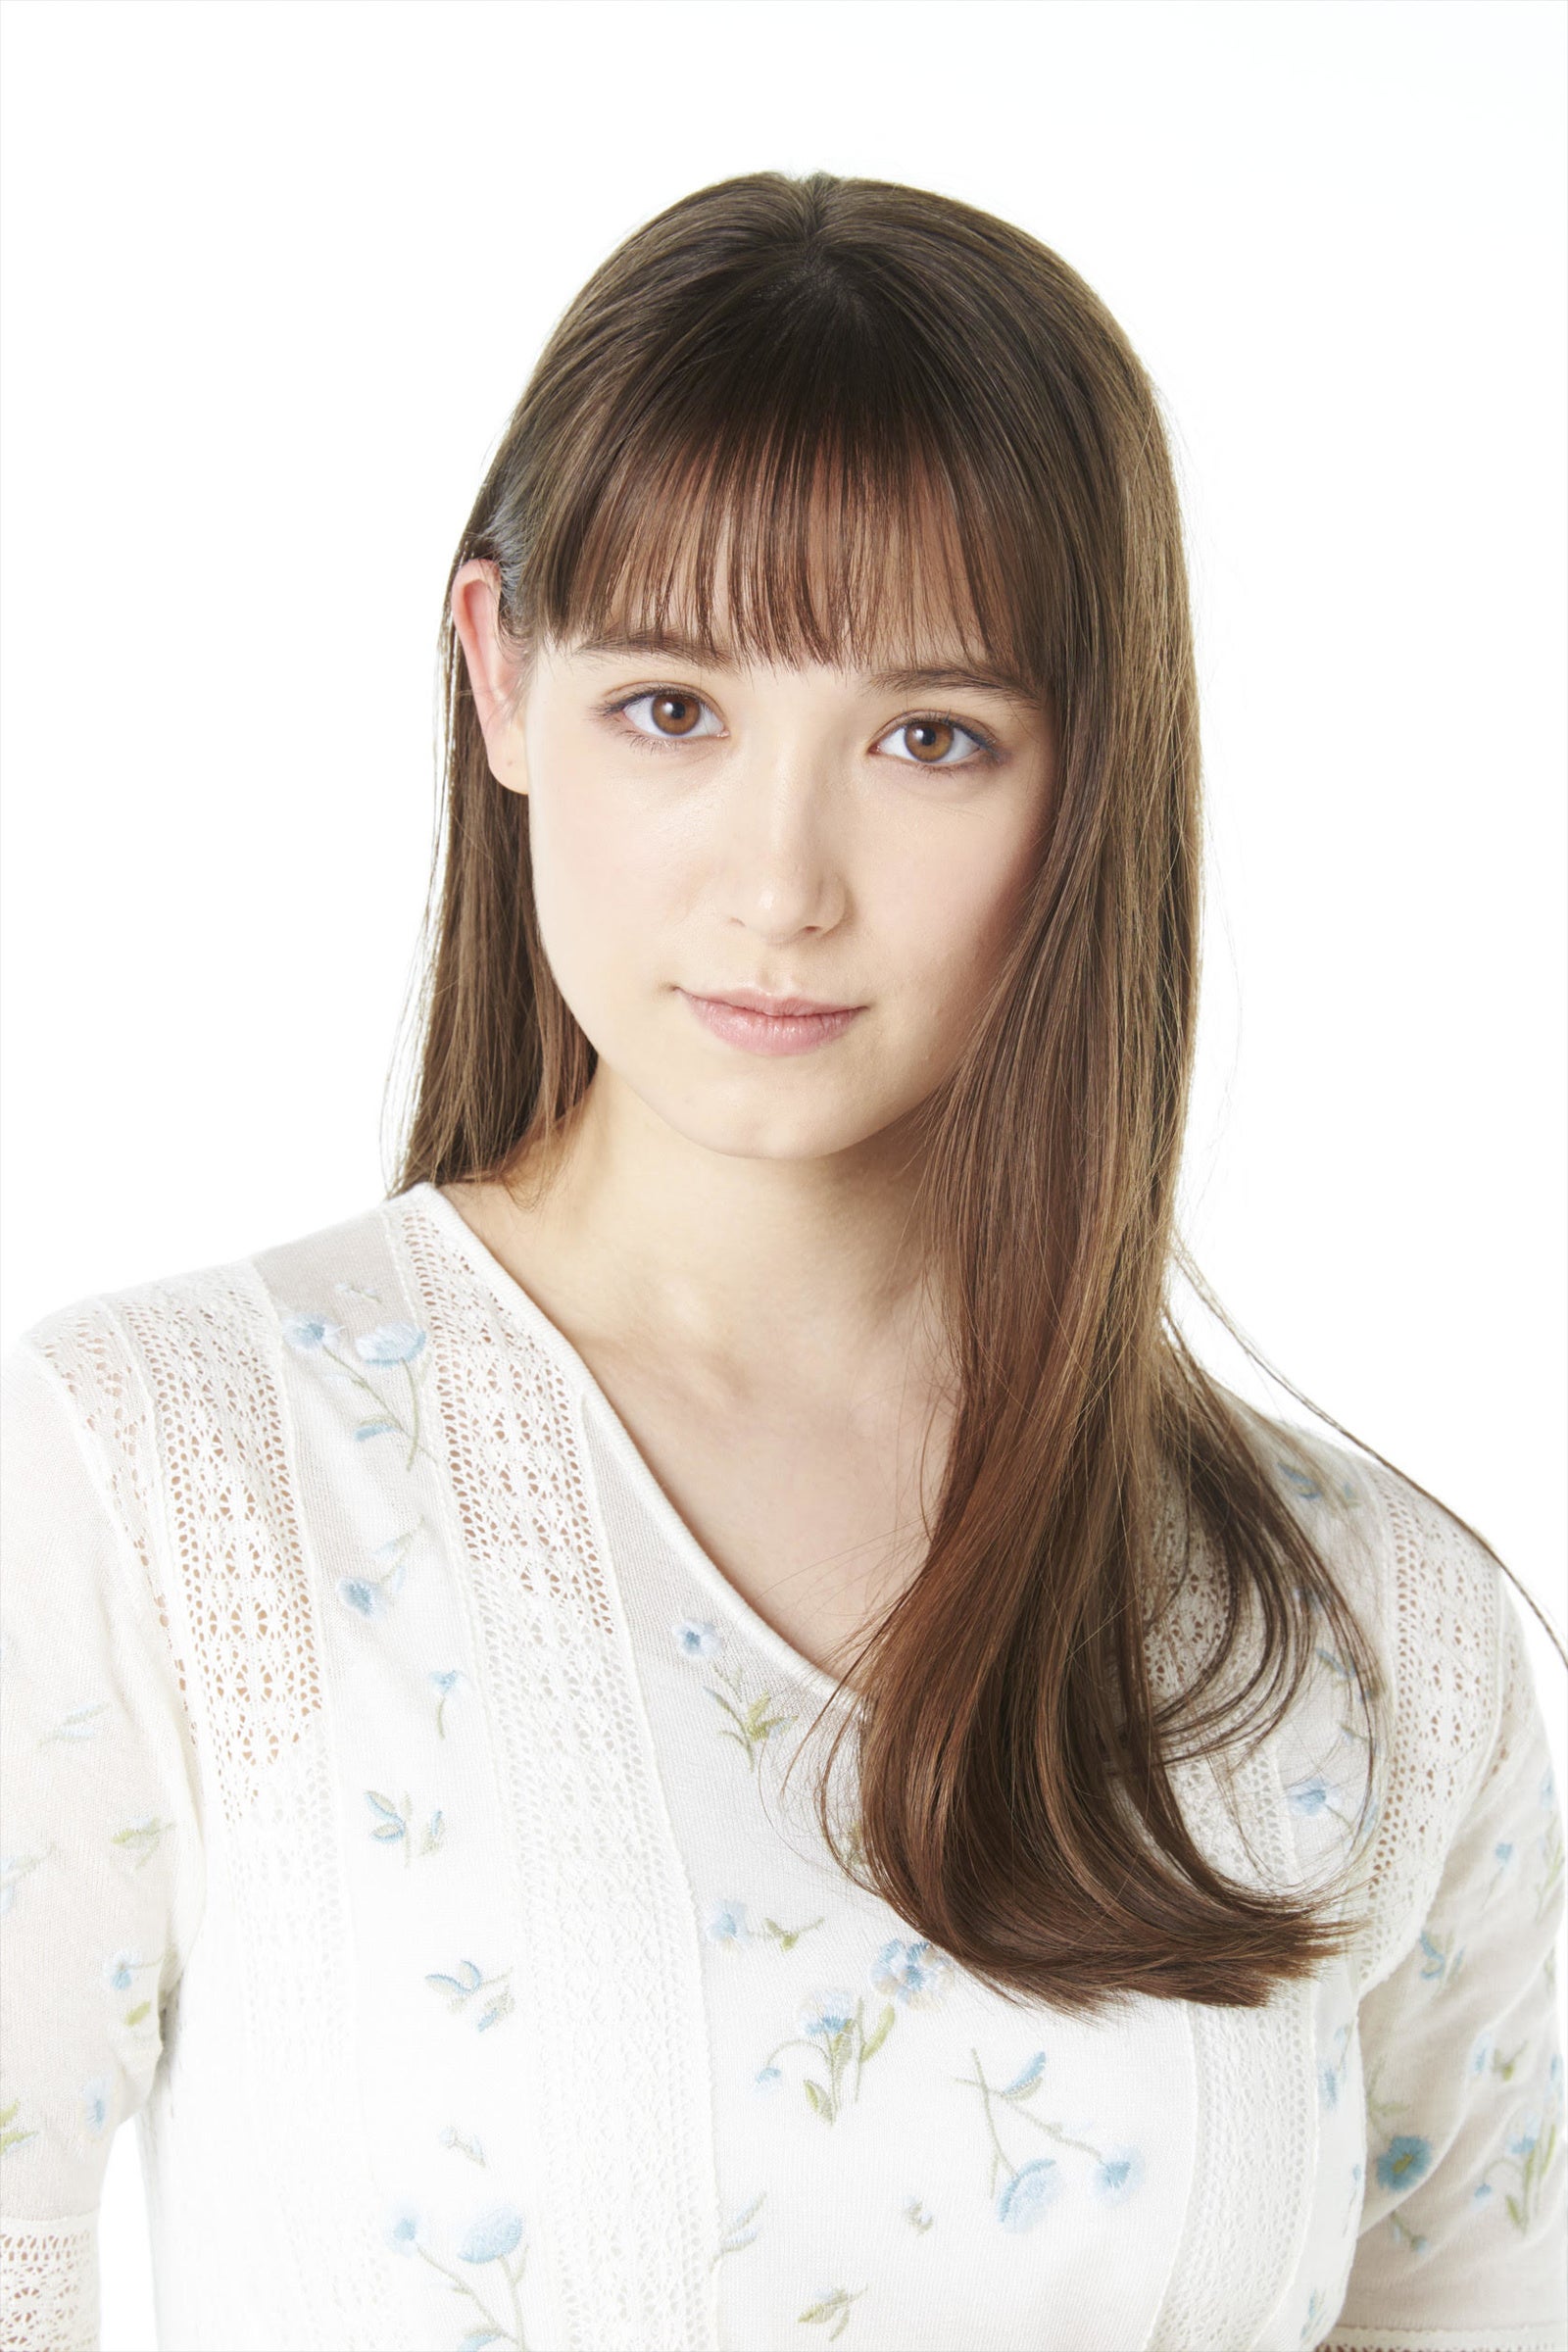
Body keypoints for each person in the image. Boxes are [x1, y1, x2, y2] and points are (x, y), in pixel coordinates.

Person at [0, 169, 1562, 2352]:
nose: (780, 883)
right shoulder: (163, 1475)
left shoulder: (1372, 1633)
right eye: (672, 707)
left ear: (1091, 775)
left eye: (931, 739)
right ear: (500, 674)